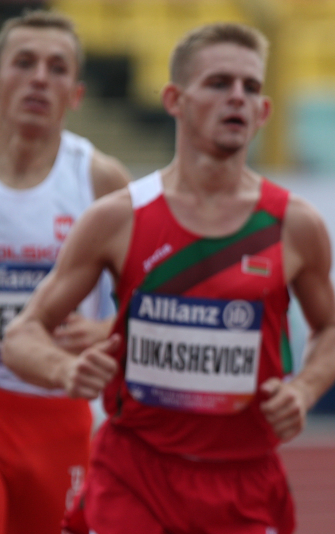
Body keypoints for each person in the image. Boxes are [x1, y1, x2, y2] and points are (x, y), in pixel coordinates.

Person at [3, 22, 335, 534]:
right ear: (174, 99)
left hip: (244, 479)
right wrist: (63, 370)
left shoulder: (294, 225)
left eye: (250, 88)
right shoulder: (118, 217)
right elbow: (22, 333)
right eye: (217, 83)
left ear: (263, 112)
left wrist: (303, 391)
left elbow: (333, 329)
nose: (236, 97)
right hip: (133, 472)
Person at [0, 11, 130, 534]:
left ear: (75, 94)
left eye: (56, 68)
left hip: (59, 409)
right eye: (24, 62)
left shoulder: (98, 179)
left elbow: (149, 293)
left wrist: (107, 330)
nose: (39, 78)